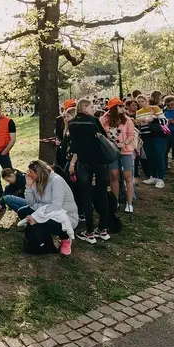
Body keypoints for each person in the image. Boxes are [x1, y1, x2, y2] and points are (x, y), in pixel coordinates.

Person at [67, 99, 111, 243]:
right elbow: (104, 136)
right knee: (102, 193)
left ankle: (90, 231)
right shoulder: (93, 121)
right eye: (91, 107)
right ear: (84, 107)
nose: (93, 109)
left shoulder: (72, 123)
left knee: (86, 196)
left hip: (84, 162)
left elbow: (73, 144)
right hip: (99, 161)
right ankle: (103, 228)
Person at [15, 161, 78, 256]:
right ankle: (45, 240)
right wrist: (28, 186)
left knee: (38, 221)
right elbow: (31, 203)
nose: (29, 174)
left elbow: (56, 206)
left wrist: (37, 216)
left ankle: (64, 238)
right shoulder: (37, 181)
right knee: (22, 212)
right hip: (45, 211)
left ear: (38, 172)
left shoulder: (56, 180)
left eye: (31, 172)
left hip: (64, 215)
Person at [99, 98, 136, 214]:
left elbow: (131, 134)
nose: (123, 108)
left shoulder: (127, 120)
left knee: (127, 177)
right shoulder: (104, 119)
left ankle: (129, 203)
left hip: (126, 151)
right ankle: (115, 202)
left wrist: (123, 143)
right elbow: (101, 133)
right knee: (114, 175)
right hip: (111, 151)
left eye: (123, 106)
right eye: (120, 106)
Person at [135, 92, 169, 188]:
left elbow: (164, 121)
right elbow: (139, 124)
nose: (141, 103)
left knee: (159, 155)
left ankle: (161, 178)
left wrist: (153, 120)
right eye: (139, 102)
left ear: (146, 100)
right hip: (145, 136)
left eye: (142, 101)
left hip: (157, 135)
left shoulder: (155, 108)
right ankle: (153, 176)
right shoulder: (139, 112)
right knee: (150, 156)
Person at [163, 95, 174, 165]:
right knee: (165, 151)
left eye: (172, 104)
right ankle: (165, 166)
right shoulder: (163, 111)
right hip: (166, 134)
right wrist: (167, 121)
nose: (170, 106)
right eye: (168, 105)